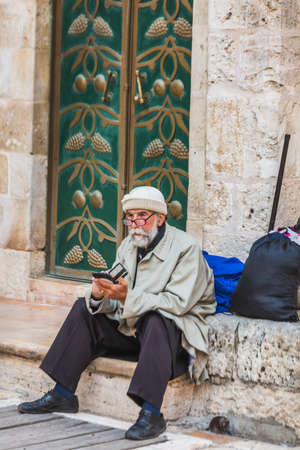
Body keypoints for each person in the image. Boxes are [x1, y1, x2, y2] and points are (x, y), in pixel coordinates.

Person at [18, 186, 216, 440]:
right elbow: (117, 296)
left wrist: (126, 297)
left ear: (160, 218)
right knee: (84, 308)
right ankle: (63, 394)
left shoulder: (186, 248)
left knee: (158, 319)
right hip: (134, 330)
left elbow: (177, 304)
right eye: (130, 217)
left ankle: (151, 413)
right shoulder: (128, 246)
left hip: (173, 342)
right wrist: (102, 294)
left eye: (142, 216)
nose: (135, 224)